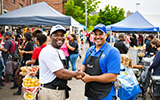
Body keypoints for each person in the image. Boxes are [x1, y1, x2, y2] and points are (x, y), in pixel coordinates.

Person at [38, 25, 84, 100]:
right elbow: (61, 73)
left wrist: (73, 74)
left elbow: (62, 69)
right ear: (50, 37)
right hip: (51, 92)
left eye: (62, 35)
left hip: (57, 91)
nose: (60, 37)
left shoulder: (59, 51)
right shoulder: (49, 51)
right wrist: (77, 73)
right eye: (56, 35)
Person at [77, 24, 121, 100]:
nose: (97, 37)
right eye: (95, 34)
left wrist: (90, 78)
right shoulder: (90, 50)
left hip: (105, 94)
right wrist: (80, 72)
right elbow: (84, 65)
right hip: (91, 92)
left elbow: (112, 77)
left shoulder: (113, 52)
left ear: (106, 35)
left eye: (101, 34)